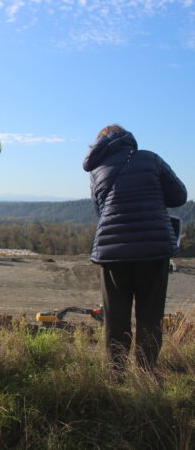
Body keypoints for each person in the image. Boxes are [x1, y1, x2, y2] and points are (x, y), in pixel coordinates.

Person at [83, 124, 186, 377]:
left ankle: (116, 374)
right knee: (150, 317)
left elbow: (101, 210)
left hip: (113, 252)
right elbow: (179, 196)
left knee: (115, 318)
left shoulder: (97, 170)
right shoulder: (150, 159)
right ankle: (146, 375)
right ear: (127, 140)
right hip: (153, 250)